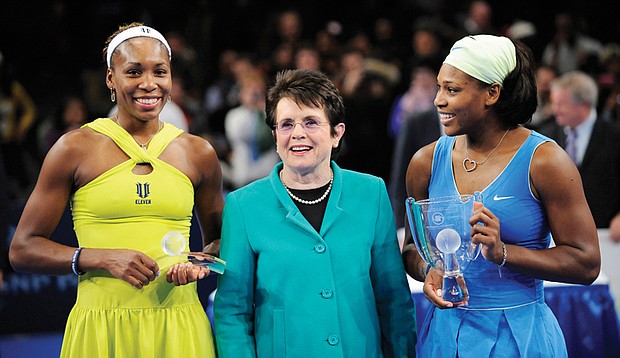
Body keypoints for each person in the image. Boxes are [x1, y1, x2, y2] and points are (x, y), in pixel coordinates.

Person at [8, 22, 224, 357]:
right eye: (134, 72)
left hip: (180, 326)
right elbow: (21, 249)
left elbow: (220, 242)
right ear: (111, 78)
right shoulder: (73, 149)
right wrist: (99, 258)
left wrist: (196, 263)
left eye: (159, 71)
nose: (148, 84)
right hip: (100, 329)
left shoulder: (199, 153)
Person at [402, 34, 600, 357]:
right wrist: (429, 270)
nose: (438, 100)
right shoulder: (424, 163)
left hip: (523, 339)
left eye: (452, 90)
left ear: (492, 93)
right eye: (439, 87)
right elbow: (412, 247)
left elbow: (587, 263)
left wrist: (504, 252)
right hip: (444, 337)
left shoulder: (546, 162)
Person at [214, 68, 417, 357]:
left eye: (311, 122)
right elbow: (232, 312)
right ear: (274, 135)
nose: (297, 133)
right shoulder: (243, 205)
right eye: (286, 124)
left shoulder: (371, 193)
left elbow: (394, 299)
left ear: (336, 133)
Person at [538, 71, 620, 243]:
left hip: (606, 237)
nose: (554, 109)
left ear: (583, 105)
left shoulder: (615, 137)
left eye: (560, 104)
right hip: (555, 237)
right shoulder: (544, 137)